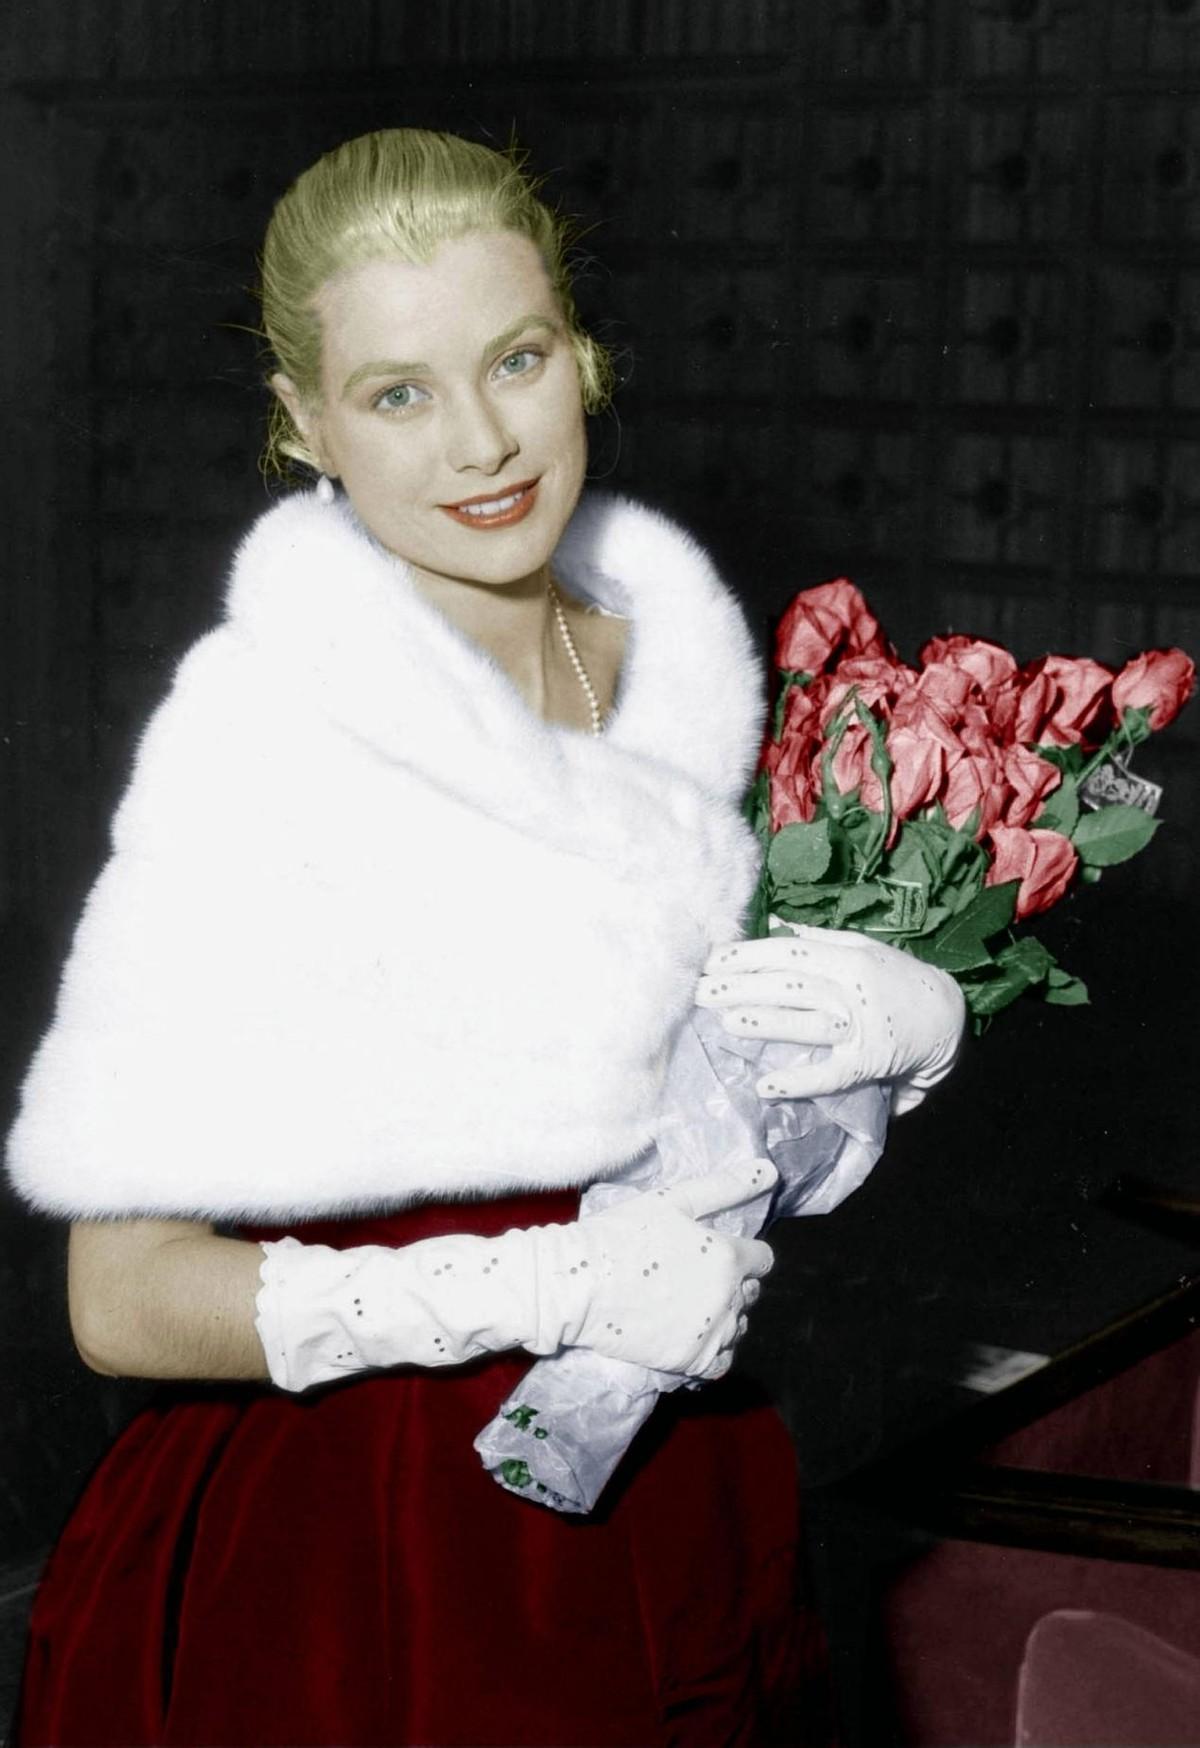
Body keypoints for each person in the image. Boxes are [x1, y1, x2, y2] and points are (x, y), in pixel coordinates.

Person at [6, 129, 964, 1747]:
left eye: (515, 360)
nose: (481, 443)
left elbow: (710, 1150)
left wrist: (891, 1050)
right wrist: (544, 1282)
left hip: (677, 1485)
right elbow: (122, 1298)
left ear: (577, 349)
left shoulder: (676, 670)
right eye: (397, 394)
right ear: (306, 422)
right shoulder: (262, 752)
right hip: (365, 1552)